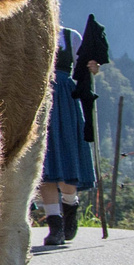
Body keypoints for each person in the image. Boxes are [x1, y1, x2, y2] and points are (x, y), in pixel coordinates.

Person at [39, 24, 100, 246]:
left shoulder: (70, 36)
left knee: (66, 155)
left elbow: (85, 68)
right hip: (39, 96)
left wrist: (93, 66)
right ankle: (55, 226)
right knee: (44, 164)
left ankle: (70, 207)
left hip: (65, 98)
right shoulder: (31, 32)